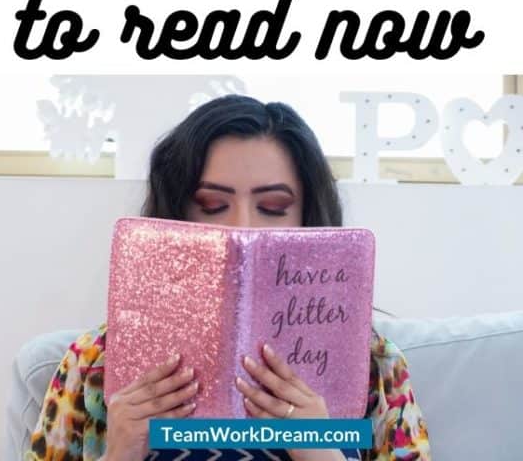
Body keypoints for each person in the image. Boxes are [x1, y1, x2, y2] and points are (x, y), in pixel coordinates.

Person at [25, 95, 431, 461]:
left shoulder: (376, 365)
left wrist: (320, 451)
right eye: (212, 205)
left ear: (309, 221)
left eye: (273, 207)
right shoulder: (95, 362)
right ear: (175, 214)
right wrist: (120, 454)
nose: (242, 228)